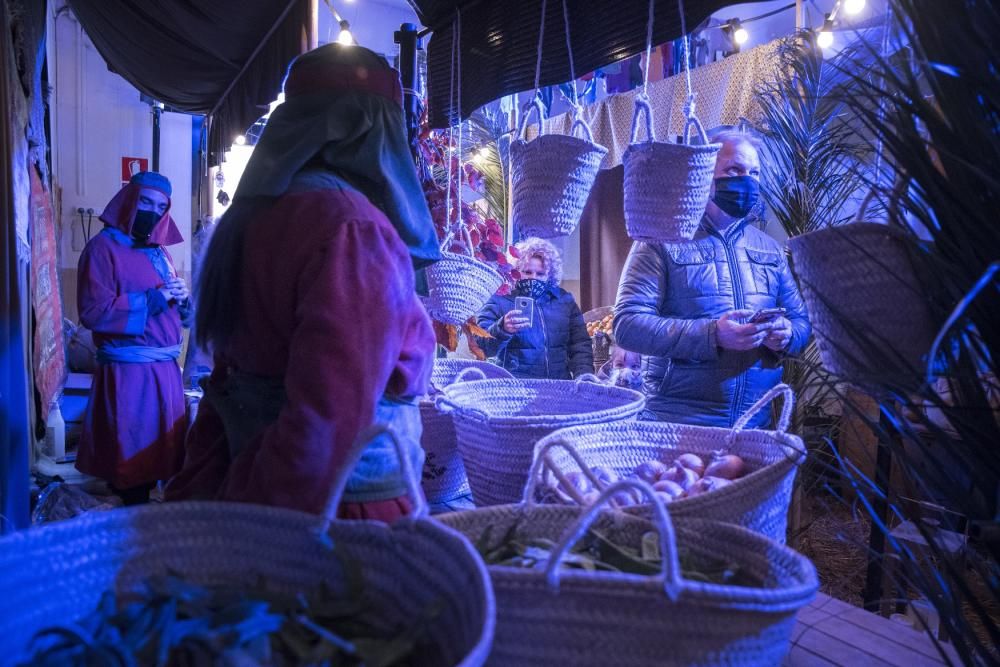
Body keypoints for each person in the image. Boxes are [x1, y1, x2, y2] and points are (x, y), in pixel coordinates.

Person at [165, 44, 441, 521]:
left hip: (252, 485)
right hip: (335, 513)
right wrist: (269, 532)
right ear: (375, 131)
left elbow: (228, 384)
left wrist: (208, 504)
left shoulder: (250, 218)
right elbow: (327, 421)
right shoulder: (354, 230)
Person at [614, 130, 810, 428]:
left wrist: (786, 335)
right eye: (735, 170)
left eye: (754, 173)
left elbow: (801, 322)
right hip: (677, 421)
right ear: (704, 173)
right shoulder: (660, 240)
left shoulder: (769, 248)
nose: (747, 181)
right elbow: (628, 326)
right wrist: (713, 334)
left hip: (752, 422)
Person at [76, 171, 191, 504]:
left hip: (165, 371)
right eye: (145, 202)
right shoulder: (102, 248)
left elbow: (173, 311)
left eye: (160, 207)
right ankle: (131, 525)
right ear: (129, 200)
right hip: (131, 374)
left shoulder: (161, 253)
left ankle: (144, 519)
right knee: (132, 458)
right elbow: (93, 312)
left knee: (161, 454)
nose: (152, 212)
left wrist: (183, 301)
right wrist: (154, 299)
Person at [477, 237, 593, 379]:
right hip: (514, 388)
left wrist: (584, 376)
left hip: (558, 387)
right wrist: (502, 329)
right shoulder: (500, 298)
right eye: (527, 272)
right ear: (517, 271)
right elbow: (481, 346)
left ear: (549, 275)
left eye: (540, 274)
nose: (534, 278)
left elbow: (580, 344)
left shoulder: (564, 300)